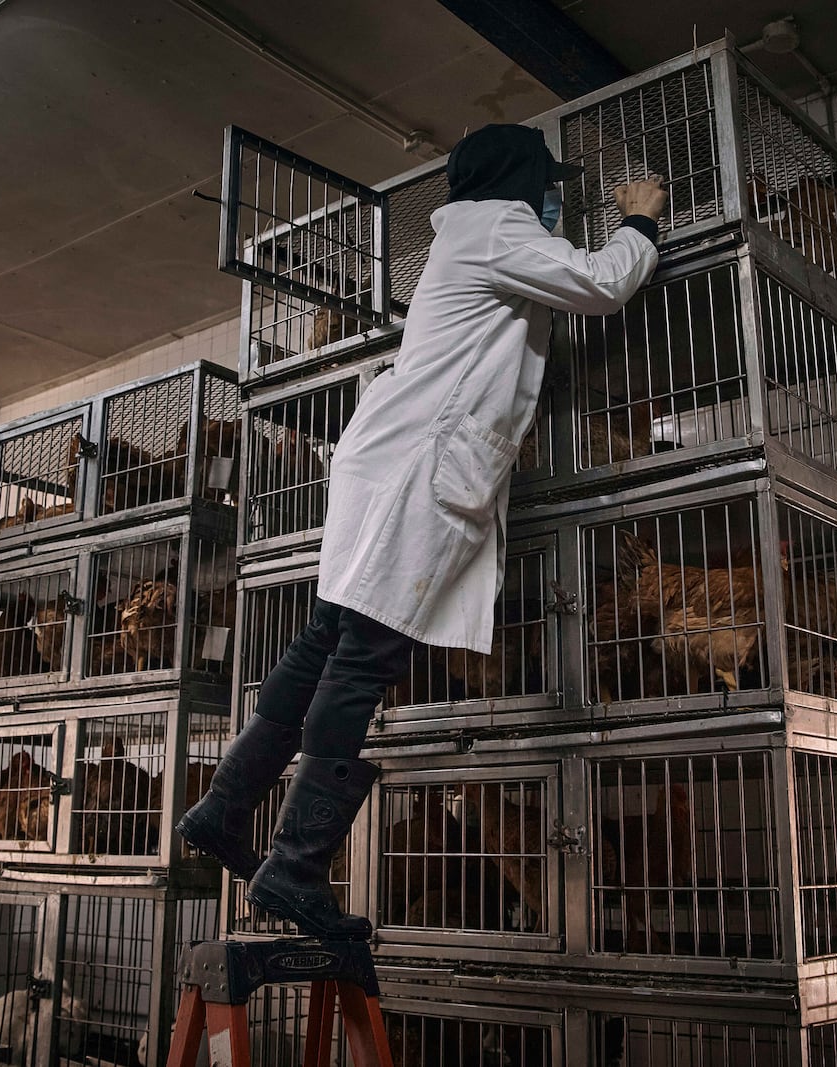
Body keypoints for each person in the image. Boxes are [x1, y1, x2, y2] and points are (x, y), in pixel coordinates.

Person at [177, 123, 668, 940]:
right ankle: (295, 866)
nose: (552, 195)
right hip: (415, 472)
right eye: (547, 181)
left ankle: (223, 810)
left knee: (325, 642)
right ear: (519, 178)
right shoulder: (494, 226)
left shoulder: (472, 237)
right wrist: (641, 221)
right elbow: (600, 283)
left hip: (389, 462)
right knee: (363, 659)